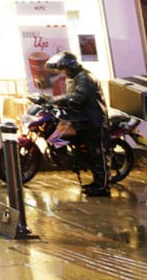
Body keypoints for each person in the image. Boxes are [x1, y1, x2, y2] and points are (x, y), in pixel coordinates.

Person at [46, 50, 109, 196]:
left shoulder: (84, 77)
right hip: (81, 120)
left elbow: (80, 95)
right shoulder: (73, 77)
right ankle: (94, 180)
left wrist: (59, 99)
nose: (62, 71)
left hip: (93, 120)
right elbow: (71, 97)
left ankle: (102, 187)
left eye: (64, 68)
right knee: (82, 149)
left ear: (70, 66)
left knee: (97, 154)